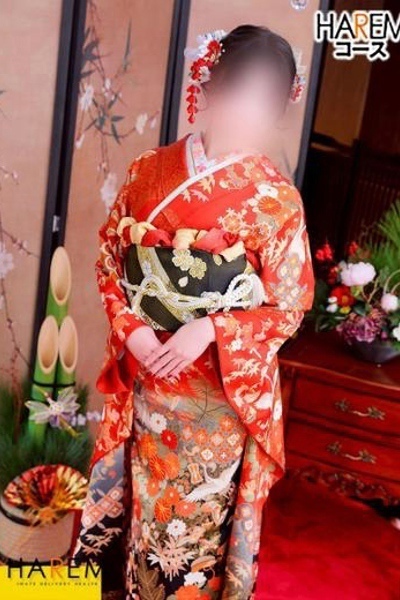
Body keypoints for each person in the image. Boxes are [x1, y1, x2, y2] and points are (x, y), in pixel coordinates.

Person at [74, 24, 315, 600]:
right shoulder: (148, 170)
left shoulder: (277, 201)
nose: (248, 115)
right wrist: (132, 331)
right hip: (144, 380)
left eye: (264, 103)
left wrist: (210, 328)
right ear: (206, 88)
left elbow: (289, 306)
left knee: (185, 537)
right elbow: (110, 258)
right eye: (238, 95)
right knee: (127, 511)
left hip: (214, 403)